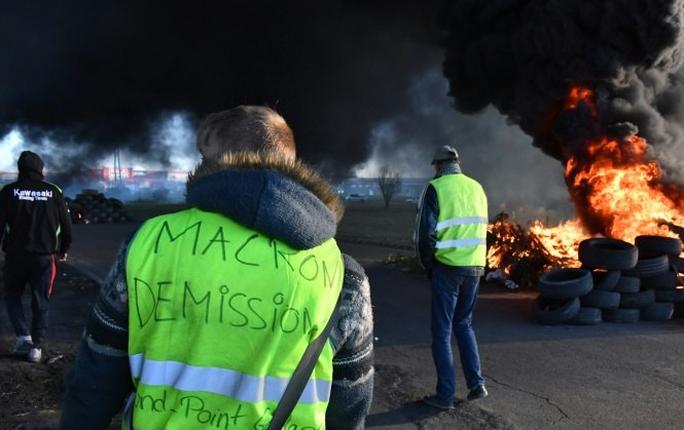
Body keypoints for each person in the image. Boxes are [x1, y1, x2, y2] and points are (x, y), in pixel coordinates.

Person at [60, 106, 374, 429]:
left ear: (219, 160)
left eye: (203, 156)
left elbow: (94, 381)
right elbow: (350, 405)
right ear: (290, 162)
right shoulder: (342, 274)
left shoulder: (149, 243)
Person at [415, 145, 488, 410]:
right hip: (475, 266)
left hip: (448, 268)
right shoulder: (477, 187)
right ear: (457, 162)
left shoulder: (436, 188)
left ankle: (445, 396)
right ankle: (476, 384)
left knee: (442, 332)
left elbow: (426, 234)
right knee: (465, 325)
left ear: (437, 165)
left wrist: (428, 266)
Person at [0, 151, 71, 363]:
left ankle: (23, 336)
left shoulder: (8, 191)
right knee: (41, 300)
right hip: (44, 258)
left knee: (12, 295)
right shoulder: (54, 191)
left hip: (16, 256)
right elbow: (66, 225)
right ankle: (36, 348)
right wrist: (63, 249)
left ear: (20, 169)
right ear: (41, 169)